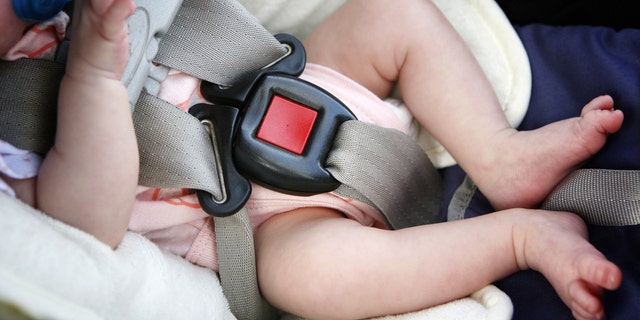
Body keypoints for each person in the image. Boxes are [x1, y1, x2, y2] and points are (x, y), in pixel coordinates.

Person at [0, 0, 624, 319]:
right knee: (304, 282)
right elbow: (85, 219)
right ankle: (516, 239)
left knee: (390, 14)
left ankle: (498, 155)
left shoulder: (56, 13)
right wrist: (92, 77)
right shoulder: (10, 143)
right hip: (252, 220)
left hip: (288, 75)